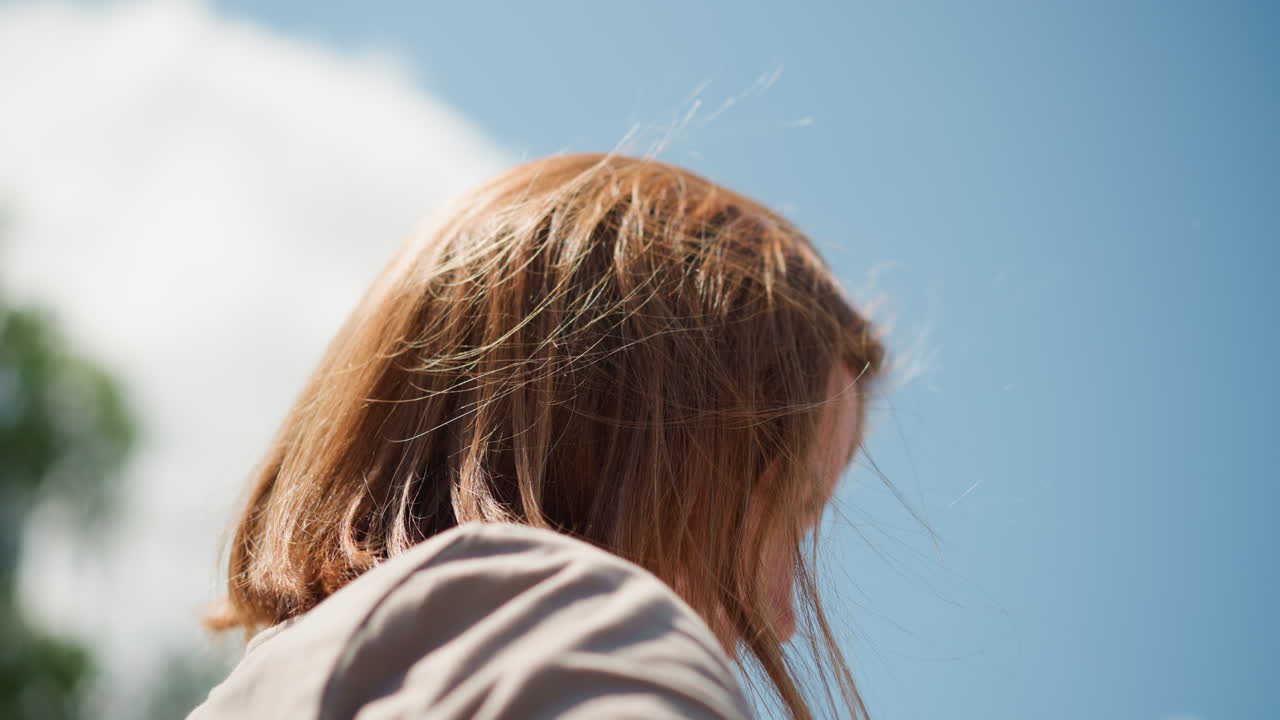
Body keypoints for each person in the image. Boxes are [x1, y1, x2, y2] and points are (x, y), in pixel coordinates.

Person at [189, 153, 887, 719]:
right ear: (624, 442)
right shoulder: (580, 633)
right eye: (789, 512)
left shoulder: (265, 689)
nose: (784, 616)